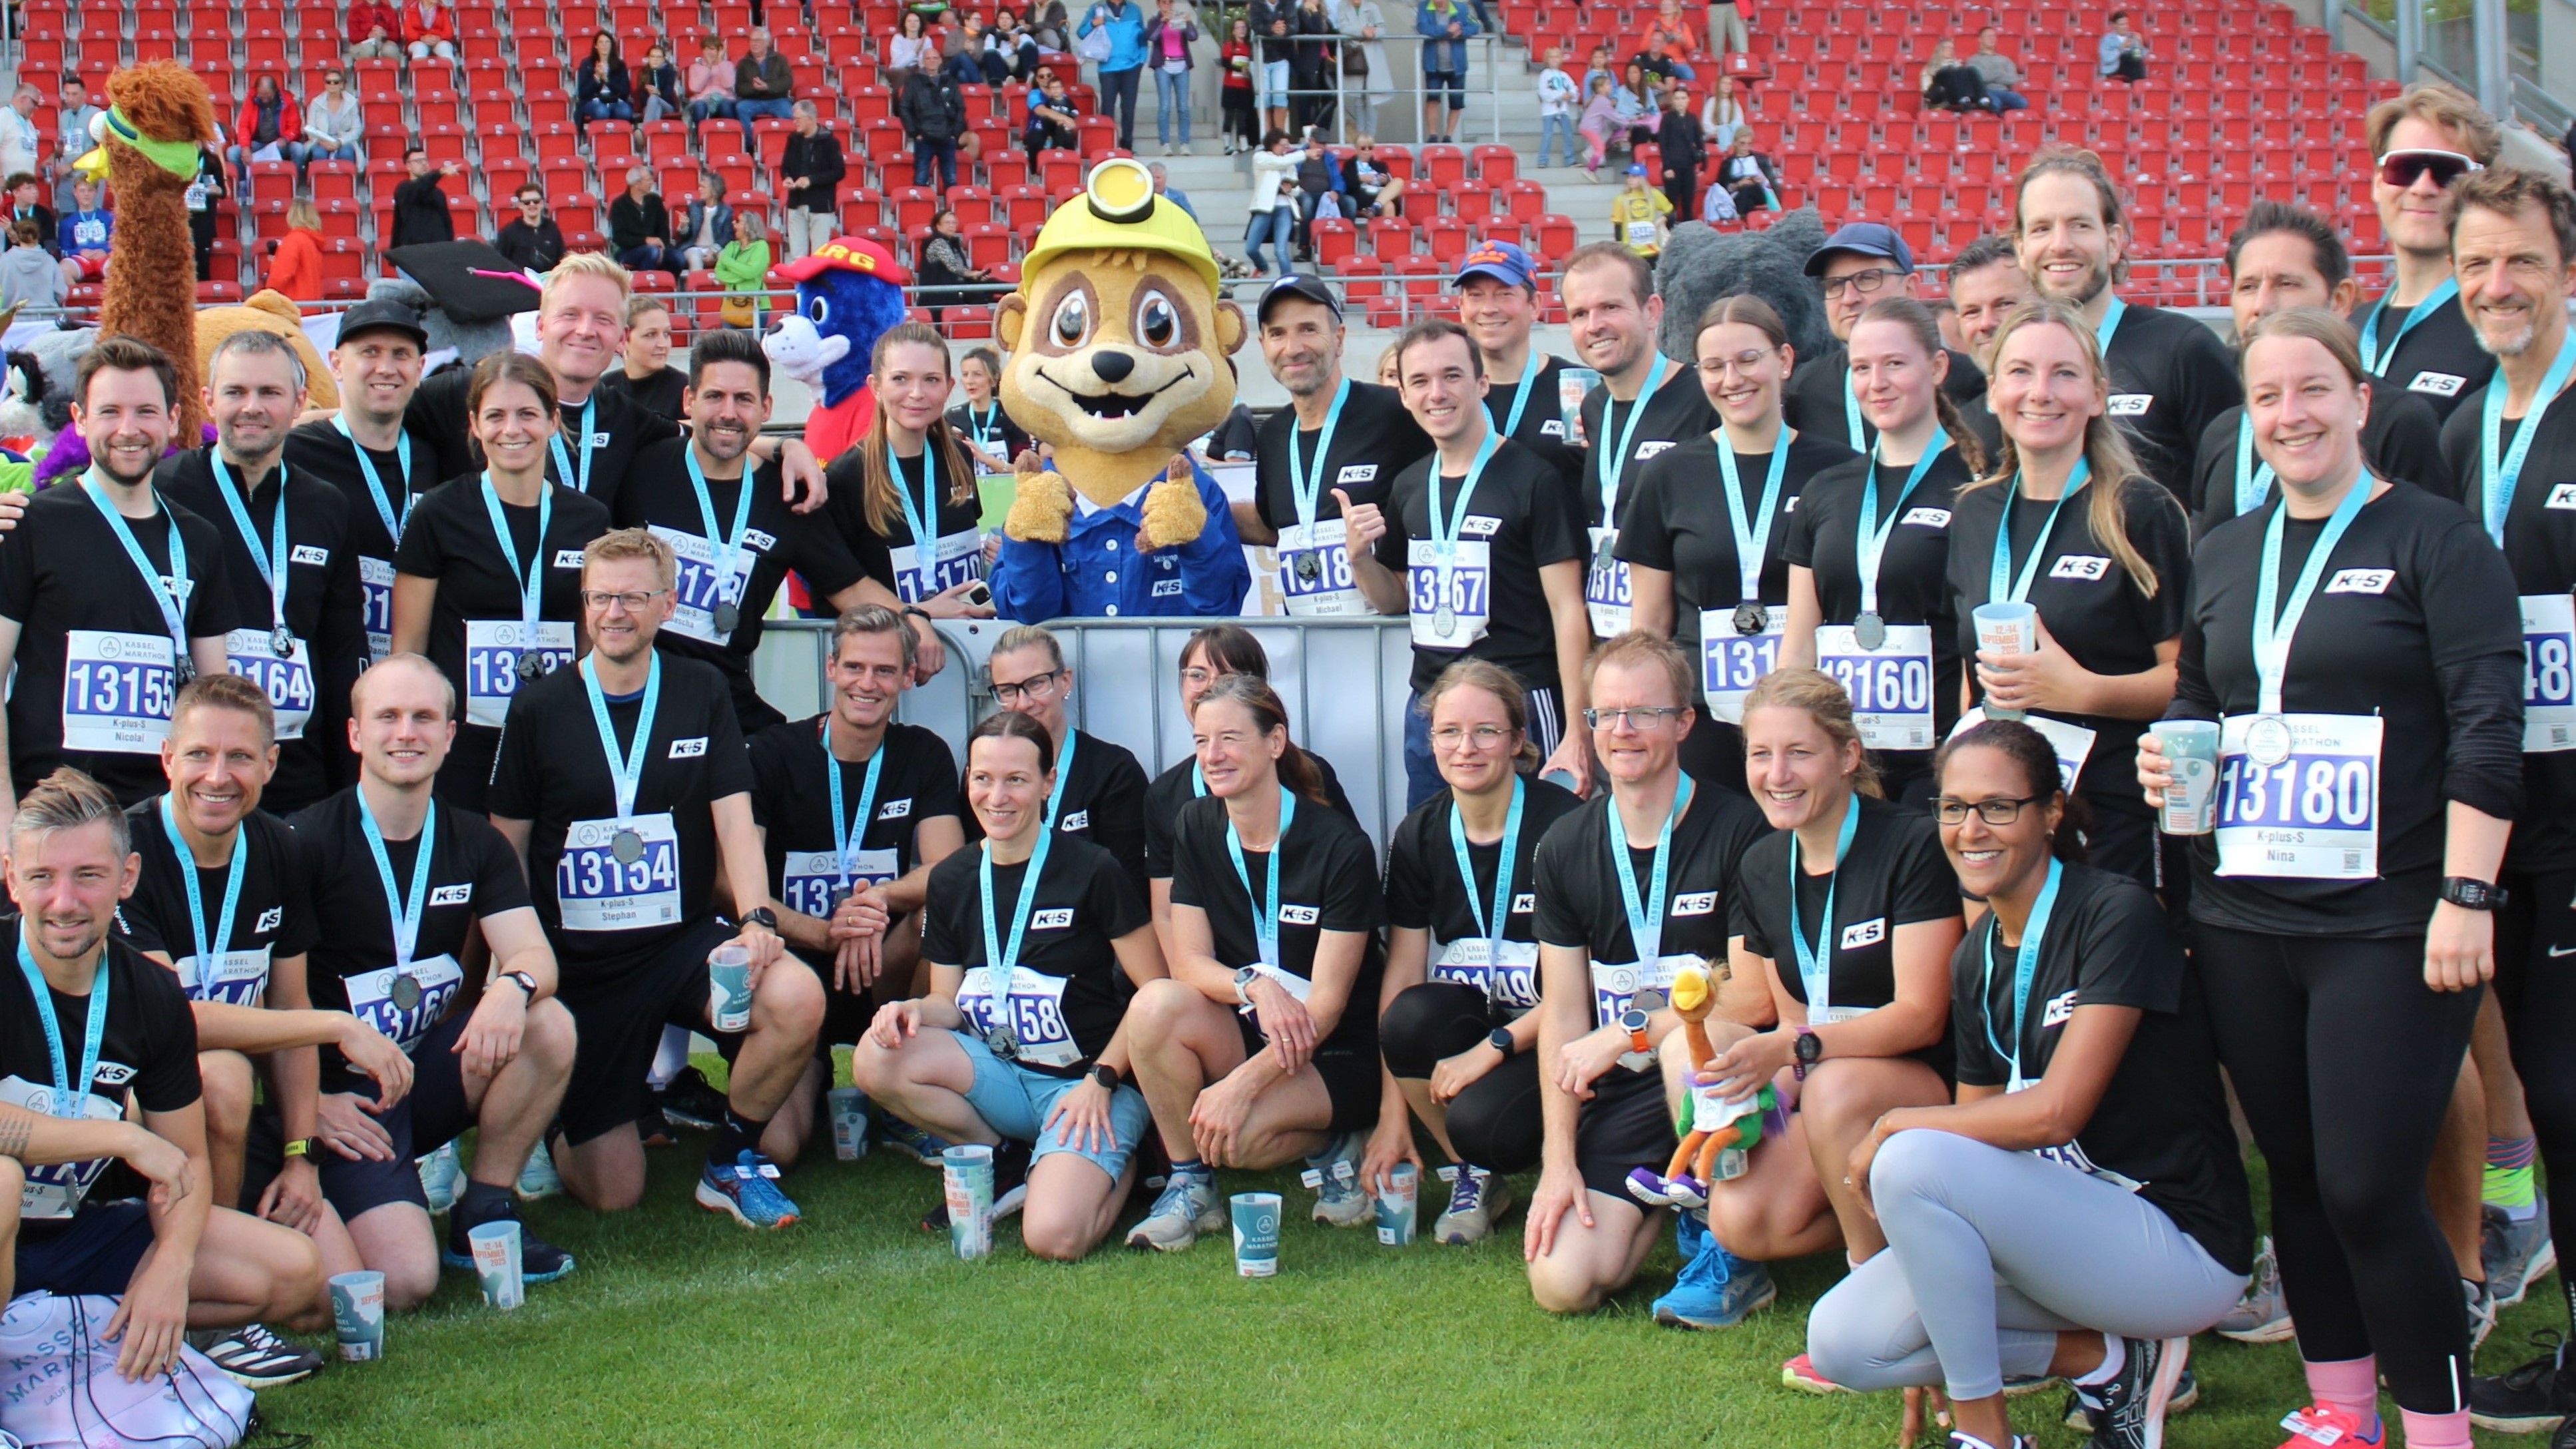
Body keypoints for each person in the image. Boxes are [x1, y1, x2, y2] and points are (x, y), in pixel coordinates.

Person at [2136, 306, 2522, 1449]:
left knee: (2364, 1186)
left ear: (2359, 401)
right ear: (2245, 416)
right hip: (2246, 914)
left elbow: (2483, 729)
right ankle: (2340, 1409)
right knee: (2296, 1181)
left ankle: (2436, 1430)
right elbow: (2201, 700)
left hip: (2390, 920)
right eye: (2266, 397)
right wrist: (2173, 758)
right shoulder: (2224, 550)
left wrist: (2466, 894)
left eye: (2311, 390)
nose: (2289, 415)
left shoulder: (2436, 542)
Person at [1806, 719, 2254, 1449]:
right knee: (1844, 1341)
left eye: (1996, 807)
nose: (1968, 829)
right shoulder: (1975, 954)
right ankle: (2107, 1358)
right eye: (1951, 807)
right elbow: (1975, 1144)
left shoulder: (2116, 912)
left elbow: (2054, 1114)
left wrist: (1891, 1127)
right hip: (2057, 1235)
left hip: (2175, 1243)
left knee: (1912, 1155)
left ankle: (1985, 1436)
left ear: (2049, 812)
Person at [487, 529, 823, 1225]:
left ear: (667, 604)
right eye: (600, 598)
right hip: (581, 963)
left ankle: (729, 1162)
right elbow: (507, 849)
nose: (615, 612)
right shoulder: (539, 707)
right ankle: (565, 1112)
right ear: (583, 606)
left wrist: (759, 918)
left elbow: (734, 820)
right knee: (615, 1192)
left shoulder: (701, 688)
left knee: (795, 999)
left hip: (680, 943)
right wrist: (517, 961)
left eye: (634, 597)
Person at [268, 653, 573, 1312]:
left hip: (419, 1076)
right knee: (405, 1281)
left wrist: (509, 988)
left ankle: (483, 1209)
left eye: (423, 717)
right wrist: (308, 1102)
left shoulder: (474, 839)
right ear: (354, 734)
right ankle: (308, 1194)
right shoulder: (301, 843)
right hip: (339, 1104)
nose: (406, 732)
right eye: (387, 717)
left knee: (547, 1022)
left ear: (450, 735)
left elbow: (534, 956)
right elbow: (270, 1004)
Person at [0, 768, 330, 1372]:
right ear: (11, 879)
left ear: (126, 878)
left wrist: (171, 1266)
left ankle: (63, 1332)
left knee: (293, 1271)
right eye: (42, 877)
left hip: (72, 1231)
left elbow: (189, 1160)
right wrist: (122, 1136)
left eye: (89, 877)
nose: (65, 901)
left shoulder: (153, 993)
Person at [115, 676, 380, 1385]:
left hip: (231, 1130)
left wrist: (300, 1155)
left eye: (240, 757)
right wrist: (336, 1023)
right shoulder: (126, 851)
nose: (217, 775)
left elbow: (287, 1013)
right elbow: (172, 1022)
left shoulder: (278, 848)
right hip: (124, 1107)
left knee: (328, 1293)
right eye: (199, 754)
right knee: (223, 1073)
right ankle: (214, 1310)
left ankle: (182, 1296)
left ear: (269, 764)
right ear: (166, 757)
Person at [1684, 668, 1961, 1340]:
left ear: (1846, 756)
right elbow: (1788, 1016)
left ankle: (1883, 1305)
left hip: (1927, 1082)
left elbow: (1921, 1015)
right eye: (1759, 753)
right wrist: (1747, 1091)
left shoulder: (1910, 844)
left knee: (1832, 1084)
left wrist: (1791, 1050)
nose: (1776, 773)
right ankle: (1918, 1248)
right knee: (1741, 1219)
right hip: (1829, 1077)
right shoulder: (1760, 865)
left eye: (1798, 753)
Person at [2438, 167, 2576, 1432]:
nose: (2494, 286)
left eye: (2518, 261)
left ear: (2566, 269)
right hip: (2502, 810)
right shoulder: (2459, 423)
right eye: (2474, 263)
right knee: (2546, 1072)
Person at [854, 708, 1162, 1256]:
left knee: (1053, 1238)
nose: (997, 797)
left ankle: (1129, 1162)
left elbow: (1154, 994)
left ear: (1048, 783)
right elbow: (947, 1001)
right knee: (878, 1056)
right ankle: (1007, 1157)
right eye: (982, 778)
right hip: (1002, 1072)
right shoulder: (951, 878)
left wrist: (1104, 1078)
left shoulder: (1093, 869)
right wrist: (914, 1012)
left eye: (1016, 779)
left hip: (1087, 1084)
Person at [1522, 631, 1767, 1314]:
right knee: (1562, 1284)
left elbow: (1751, 996)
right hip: (1628, 1087)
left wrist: (1631, 1032)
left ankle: (1732, 1254)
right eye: (1605, 715)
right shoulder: (1564, 844)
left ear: (1684, 722)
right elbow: (1566, 1018)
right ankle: (1669, 1199)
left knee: (1677, 1046)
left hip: (1721, 1071)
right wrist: (1557, 1164)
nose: (1621, 730)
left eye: (1643, 713)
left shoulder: (1738, 828)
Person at [1121, 675, 1387, 1248]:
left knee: (1237, 1141)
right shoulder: (1195, 824)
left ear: (1275, 743)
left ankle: (1335, 1139)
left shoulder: (1340, 846)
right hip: (1256, 1021)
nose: (1212, 756)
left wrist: (1241, 1084)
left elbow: (1328, 1006)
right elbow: (1190, 963)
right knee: (1153, 1006)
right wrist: (1255, 987)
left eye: (1230, 739)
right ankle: (1190, 1185)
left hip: (1337, 1047)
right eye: (1200, 741)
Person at [1943, 298, 2190, 888]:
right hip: (2001, 821)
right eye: (2021, 372)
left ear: (2097, 394)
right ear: (1995, 389)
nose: (2040, 392)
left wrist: (2082, 691)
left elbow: (2187, 681)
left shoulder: (2138, 512)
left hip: (2107, 815)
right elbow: (1970, 668)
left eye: (2064, 373)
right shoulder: (1974, 512)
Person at [1372, 661, 1582, 1244]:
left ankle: (1548, 1154)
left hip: (1560, 1033)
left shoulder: (1565, 826)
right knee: (1408, 1018)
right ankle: (1475, 1175)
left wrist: (1494, 1049)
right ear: (1430, 739)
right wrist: (1393, 1117)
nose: (1465, 748)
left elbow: (1586, 987)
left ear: (1518, 741)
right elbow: (1404, 977)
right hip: (1485, 1024)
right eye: (1448, 732)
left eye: (1486, 731)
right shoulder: (1418, 834)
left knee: (1485, 1123)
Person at [1348, 320, 1593, 808]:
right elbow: (1397, 597)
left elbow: (1568, 610)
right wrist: (1360, 560)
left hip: (1517, 704)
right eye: (1418, 381)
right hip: (1431, 708)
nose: (1436, 393)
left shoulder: (1533, 479)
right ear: (1401, 393)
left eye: (1452, 376)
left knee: (1531, 859)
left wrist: (1576, 728)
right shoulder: (1409, 486)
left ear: (1481, 383)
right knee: (1439, 854)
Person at [746, 605, 964, 1152]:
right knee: (779, 1148)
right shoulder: (772, 752)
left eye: (885, 671)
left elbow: (949, 868)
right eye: (855, 668)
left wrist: (874, 902)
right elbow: (732, 882)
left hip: (881, 962)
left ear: (908, 677)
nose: (868, 684)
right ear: (831, 669)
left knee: (935, 912)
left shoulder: (924, 753)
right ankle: (811, 1076)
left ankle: (898, 1089)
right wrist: (823, 932)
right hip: (793, 962)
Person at [1625, 294, 1859, 787]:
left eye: (1748, 359)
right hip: (1702, 714)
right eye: (1713, 366)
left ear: (1785, 360)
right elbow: (1649, 622)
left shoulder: (1839, 471)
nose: (1731, 380)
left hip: (1807, 715)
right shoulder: (1667, 475)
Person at [0, 338, 235, 812]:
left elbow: (215, 697)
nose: (128, 430)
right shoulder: (29, 525)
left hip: (163, 811)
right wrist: (5, 816)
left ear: (171, 420)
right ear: (80, 419)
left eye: (145, 411)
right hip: (48, 807)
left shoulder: (199, 539)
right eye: (109, 412)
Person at [1780, 296, 1989, 808]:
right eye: (1861, 368)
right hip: (1843, 761)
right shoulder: (1826, 489)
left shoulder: (1980, 487)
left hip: (1940, 759)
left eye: (1894, 364)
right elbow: (1800, 637)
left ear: (1937, 367)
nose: (1876, 383)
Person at [609, 329, 871, 737]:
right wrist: (785, 445)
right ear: (689, 401)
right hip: (627, 707)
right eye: (714, 396)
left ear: (766, 407)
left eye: (743, 399)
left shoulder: (787, 496)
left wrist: (919, 618)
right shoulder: (638, 466)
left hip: (724, 713)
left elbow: (851, 588)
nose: (728, 412)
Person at [152, 331, 364, 816]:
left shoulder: (327, 506)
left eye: (269, 393)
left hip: (300, 774)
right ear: (207, 401)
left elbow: (340, 652)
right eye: (235, 392)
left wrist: (345, 786)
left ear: (299, 403)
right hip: (201, 776)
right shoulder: (165, 491)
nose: (252, 407)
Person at [389, 352, 611, 812]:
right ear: (474, 424)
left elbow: (592, 641)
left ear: (552, 421)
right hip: (463, 746)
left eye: (527, 414)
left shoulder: (587, 518)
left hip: (557, 736)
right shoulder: (437, 513)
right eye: (495, 415)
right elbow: (408, 651)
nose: (512, 430)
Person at [2193, 202, 2450, 534]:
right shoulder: (2222, 432)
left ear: (2340, 299)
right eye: (2248, 287)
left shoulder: (2400, 421)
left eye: (2286, 284)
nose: (2262, 305)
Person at [2013, 145, 2239, 505]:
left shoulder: (2182, 349)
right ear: (2021, 250)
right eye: (2041, 228)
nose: (2060, 244)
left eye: (2080, 225)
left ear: (2114, 242)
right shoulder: (2013, 372)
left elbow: (2234, 500)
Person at [1138, 625, 1359, 948]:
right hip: (1218, 976)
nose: (1210, 688)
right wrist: (1196, 986)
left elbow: (1349, 879)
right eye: (1197, 675)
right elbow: (1166, 914)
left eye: (1228, 677)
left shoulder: (1312, 773)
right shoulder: (1165, 794)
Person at [1234, 272, 1434, 612]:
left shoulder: (1395, 413)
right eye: (1278, 334)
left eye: (1308, 329)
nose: (1293, 348)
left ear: (1339, 338)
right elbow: (1273, 526)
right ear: (1264, 345)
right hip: (1307, 640)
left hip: (1388, 637)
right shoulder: (1273, 435)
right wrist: (1205, 512)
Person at [1563, 242, 1720, 642]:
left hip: (1682, 649)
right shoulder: (1594, 408)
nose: (1594, 325)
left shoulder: (1705, 398)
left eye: (1610, 308)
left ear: (1652, 311)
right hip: (1612, 639)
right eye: (1580, 314)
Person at [284, 300, 435, 668]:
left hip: (408, 666)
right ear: (336, 363)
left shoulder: (435, 456)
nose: (386, 367)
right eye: (370, 352)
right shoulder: (294, 453)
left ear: (419, 369)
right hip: (325, 666)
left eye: (400, 354)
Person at [825, 324, 997, 633]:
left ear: (948, 387)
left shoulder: (960, 456)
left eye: (931, 380)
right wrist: (916, 614)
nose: (917, 394)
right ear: (875, 387)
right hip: (891, 656)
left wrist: (998, 552)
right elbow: (838, 588)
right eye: (900, 379)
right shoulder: (845, 477)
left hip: (970, 645)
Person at [2358, 84, 2504, 422]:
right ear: (2378, 182)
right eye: (2404, 168)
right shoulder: (2350, 330)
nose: (2422, 189)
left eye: (2446, 172)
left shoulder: (2500, 329)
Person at [977, 625, 1152, 896]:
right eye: (1008, 690)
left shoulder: (1114, 771)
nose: (1023, 703)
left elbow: (1127, 893)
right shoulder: (982, 773)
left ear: (1065, 681)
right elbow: (969, 873)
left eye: (1036, 684)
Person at [1783, 222, 1985, 454]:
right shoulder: (1807, 386)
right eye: (1835, 285)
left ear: (1910, 289)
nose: (1849, 298)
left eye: (1867, 278)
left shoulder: (1970, 380)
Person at [1456, 240, 1581, 489]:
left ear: (1534, 305)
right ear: (1461, 308)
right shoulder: (1445, 394)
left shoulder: (1577, 387)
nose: (1488, 309)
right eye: (1475, 295)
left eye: (1504, 294)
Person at [1944, 233, 2037, 457]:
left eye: (2004, 304)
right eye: (1972, 312)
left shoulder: (2081, 407)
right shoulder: (1953, 437)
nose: (1986, 323)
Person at [599, 294, 686, 424]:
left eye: (666, 334)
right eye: (650, 335)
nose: (663, 344)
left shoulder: (684, 388)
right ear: (623, 340)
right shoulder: (605, 387)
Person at [777, 101, 844, 263]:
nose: (795, 122)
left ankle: (817, 288)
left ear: (810, 119)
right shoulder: (793, 140)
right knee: (797, 256)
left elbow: (839, 172)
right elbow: (785, 166)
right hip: (796, 202)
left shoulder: (830, 142)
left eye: (798, 119)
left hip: (820, 205)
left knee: (819, 255)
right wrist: (787, 178)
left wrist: (811, 180)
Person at [948, 346, 1031, 474]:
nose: (970, 381)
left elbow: (1026, 472)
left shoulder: (1011, 415)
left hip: (1004, 492)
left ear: (994, 378)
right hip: (967, 493)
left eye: (977, 374)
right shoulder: (952, 418)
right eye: (965, 375)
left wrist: (989, 461)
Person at [1079, 0, 1148, 150]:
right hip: (1107, 67)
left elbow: (1142, 37)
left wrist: (1142, 59)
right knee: (1108, 108)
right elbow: (1081, 33)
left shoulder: (1135, 9)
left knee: (1128, 108)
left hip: (1132, 66)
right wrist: (1093, 23)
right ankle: (1108, 144)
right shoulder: (1097, 8)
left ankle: (1127, 144)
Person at [917, 207, 1000, 325]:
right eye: (947, 223)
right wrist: (972, 274)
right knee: (990, 287)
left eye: (954, 223)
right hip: (939, 294)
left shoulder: (953, 243)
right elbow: (954, 266)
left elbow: (960, 270)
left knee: (990, 285)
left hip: (955, 289)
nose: (952, 226)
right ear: (938, 226)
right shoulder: (937, 242)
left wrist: (975, 276)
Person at [900, 57, 969, 192]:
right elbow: (904, 107)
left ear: (940, 62)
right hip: (924, 138)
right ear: (923, 62)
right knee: (920, 180)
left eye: (935, 58)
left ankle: (951, 212)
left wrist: (955, 133)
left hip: (947, 138)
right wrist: (914, 132)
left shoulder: (951, 81)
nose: (932, 61)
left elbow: (960, 108)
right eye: (928, 58)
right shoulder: (914, 82)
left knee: (951, 180)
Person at [1416, 0, 1476, 144]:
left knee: (1456, 103)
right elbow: (1423, 27)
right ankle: (1433, 136)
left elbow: (1475, 26)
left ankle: (1448, 137)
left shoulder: (1460, 8)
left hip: (1457, 66)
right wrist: (1447, 31)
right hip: (1433, 64)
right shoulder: (1424, 6)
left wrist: (1461, 31)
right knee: (1432, 99)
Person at [1335, 0, 1394, 143]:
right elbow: (1343, 28)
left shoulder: (1373, 7)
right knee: (1358, 97)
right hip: (1355, 56)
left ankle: (1371, 136)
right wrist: (1362, 31)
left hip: (1372, 56)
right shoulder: (1343, 7)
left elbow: (1382, 29)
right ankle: (1360, 136)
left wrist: (1373, 33)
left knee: (1373, 97)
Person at [228, 75, 302, 186]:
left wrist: (286, 138)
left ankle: (293, 182)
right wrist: (246, 147)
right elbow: (244, 126)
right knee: (232, 153)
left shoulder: (288, 102)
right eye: (262, 96)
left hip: (279, 144)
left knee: (299, 149)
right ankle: (243, 184)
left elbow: (295, 127)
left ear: (275, 91)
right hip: (257, 143)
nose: (265, 100)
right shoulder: (251, 100)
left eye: (268, 96)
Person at [1143, 0, 1196, 154]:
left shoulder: (1178, 18)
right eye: (1164, 2)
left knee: (1184, 107)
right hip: (1163, 65)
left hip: (1181, 64)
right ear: (1158, 5)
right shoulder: (1154, 21)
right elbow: (1151, 38)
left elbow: (1193, 37)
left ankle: (1184, 143)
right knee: (1165, 107)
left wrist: (1189, 23)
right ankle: (1165, 143)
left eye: (1170, 2)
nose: (1167, 5)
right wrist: (1161, 23)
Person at [1243, 129, 1298, 276]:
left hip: (1284, 207)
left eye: (1288, 146)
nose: (1286, 149)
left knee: (1281, 250)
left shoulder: (1289, 162)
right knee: (1251, 248)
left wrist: (1291, 189)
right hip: (1264, 208)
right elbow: (1278, 163)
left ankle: (1288, 281)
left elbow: (1298, 188)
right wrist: (1304, 154)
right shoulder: (1260, 157)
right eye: (1283, 145)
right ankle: (1262, 266)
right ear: (1273, 144)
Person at [605, 166, 677, 274]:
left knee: (678, 258)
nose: (652, 183)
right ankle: (644, 285)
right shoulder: (619, 205)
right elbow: (620, 238)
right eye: (648, 180)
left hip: (657, 248)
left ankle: (668, 286)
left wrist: (662, 245)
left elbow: (663, 228)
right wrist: (645, 241)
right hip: (627, 251)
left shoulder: (655, 201)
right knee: (652, 252)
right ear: (637, 184)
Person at [50, 74, 101, 213]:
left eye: (74, 94)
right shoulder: (64, 116)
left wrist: (71, 165)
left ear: (84, 94)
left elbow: (98, 148)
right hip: (67, 179)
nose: (70, 98)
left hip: (88, 177)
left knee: (90, 217)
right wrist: (51, 157)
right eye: (67, 94)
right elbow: (64, 144)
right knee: (67, 219)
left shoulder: (96, 114)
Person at [387, 147, 457, 248]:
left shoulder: (439, 193)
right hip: (415, 251)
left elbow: (447, 222)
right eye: (418, 161)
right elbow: (420, 188)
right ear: (408, 166)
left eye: (425, 160)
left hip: (439, 250)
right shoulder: (404, 188)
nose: (424, 164)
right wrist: (440, 173)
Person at [714, 210, 772, 328]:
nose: (734, 224)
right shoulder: (731, 246)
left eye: (739, 222)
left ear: (749, 226)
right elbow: (719, 273)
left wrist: (726, 260)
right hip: (731, 306)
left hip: (756, 306)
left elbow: (751, 272)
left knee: (752, 346)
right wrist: (743, 276)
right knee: (730, 346)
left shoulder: (761, 246)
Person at [260, 198, 324, 304]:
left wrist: (269, 290)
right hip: (311, 304)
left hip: (293, 306)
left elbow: (281, 275)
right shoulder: (313, 242)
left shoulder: (294, 240)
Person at [732, 28, 797, 129]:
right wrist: (753, 88)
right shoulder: (744, 63)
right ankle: (749, 143)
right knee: (741, 108)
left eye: (758, 40)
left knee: (788, 113)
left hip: (778, 100)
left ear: (767, 43)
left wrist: (768, 87)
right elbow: (739, 88)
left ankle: (787, 141)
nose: (754, 44)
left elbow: (788, 82)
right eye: (752, 40)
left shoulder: (780, 59)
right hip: (753, 100)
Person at [300, 69, 363, 172]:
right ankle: (319, 184)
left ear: (342, 84)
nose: (332, 85)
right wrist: (322, 142)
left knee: (346, 153)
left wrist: (340, 142)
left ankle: (346, 183)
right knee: (319, 154)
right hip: (321, 140)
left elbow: (356, 130)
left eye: (336, 82)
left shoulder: (352, 102)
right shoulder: (316, 103)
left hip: (344, 140)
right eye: (328, 82)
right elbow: (310, 128)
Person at [494, 185, 567, 274]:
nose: (532, 205)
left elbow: (562, 258)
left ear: (542, 203)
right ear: (520, 205)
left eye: (536, 201)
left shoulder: (552, 228)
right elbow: (499, 262)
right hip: (522, 283)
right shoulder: (509, 232)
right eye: (527, 202)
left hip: (549, 282)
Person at [53, 175, 109, 291]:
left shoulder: (109, 217)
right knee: (62, 270)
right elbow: (64, 251)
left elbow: (119, 244)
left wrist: (105, 250)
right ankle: (76, 300)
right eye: (82, 191)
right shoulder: (67, 222)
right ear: (75, 193)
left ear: (96, 192)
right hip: (81, 259)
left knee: (121, 269)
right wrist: (80, 251)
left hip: (105, 257)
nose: (86, 194)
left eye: (90, 190)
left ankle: (114, 302)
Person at [1659, 86, 1703, 219]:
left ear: (1688, 100)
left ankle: (1688, 234)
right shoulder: (1667, 118)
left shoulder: (1692, 118)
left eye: (1683, 98)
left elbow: (1699, 141)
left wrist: (1703, 163)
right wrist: (1667, 167)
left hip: (1689, 166)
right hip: (1673, 166)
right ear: (1673, 100)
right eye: (1677, 98)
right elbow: (1663, 143)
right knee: (1671, 204)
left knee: (1688, 203)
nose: (1680, 102)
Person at [1714, 129, 1780, 218]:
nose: (1746, 147)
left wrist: (1762, 181)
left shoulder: (1760, 159)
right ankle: (1747, 219)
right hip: (1736, 195)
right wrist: (1739, 184)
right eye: (1742, 143)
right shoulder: (1728, 163)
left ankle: (1740, 218)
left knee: (1748, 189)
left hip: (1758, 192)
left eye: (1749, 144)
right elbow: (1723, 188)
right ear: (1735, 143)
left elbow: (1771, 183)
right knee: (1745, 192)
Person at [676, 174, 734, 276]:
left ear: (714, 190)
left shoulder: (726, 211)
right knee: (695, 257)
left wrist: (713, 249)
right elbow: (685, 237)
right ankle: (696, 290)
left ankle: (725, 289)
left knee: (724, 256)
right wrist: (684, 226)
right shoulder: (694, 207)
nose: (700, 190)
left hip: (716, 247)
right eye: (700, 186)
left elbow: (727, 236)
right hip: (695, 247)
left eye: (703, 187)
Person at [1024, 66, 1083, 161]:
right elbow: (1041, 111)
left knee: (1067, 137)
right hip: (1039, 127)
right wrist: (1066, 119)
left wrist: (1068, 120)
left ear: (1053, 76)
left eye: (1049, 75)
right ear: (1037, 80)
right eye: (1042, 76)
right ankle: (1035, 172)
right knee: (1036, 139)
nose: (1046, 78)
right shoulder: (1034, 94)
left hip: (1059, 128)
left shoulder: (1063, 96)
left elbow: (1073, 111)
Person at [1918, 37, 1991, 114]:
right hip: (1940, 94)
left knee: (1971, 70)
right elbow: (1926, 89)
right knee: (1948, 71)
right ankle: (1964, 98)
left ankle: (1983, 99)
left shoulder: (1958, 64)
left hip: (1956, 94)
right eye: (1948, 48)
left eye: (1952, 48)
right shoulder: (1930, 68)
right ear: (1940, 50)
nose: (1951, 50)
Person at [0, 218, 59, 310]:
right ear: (38, 236)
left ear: (18, 236)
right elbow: (61, 292)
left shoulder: (4, 260)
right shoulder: (50, 261)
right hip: (46, 319)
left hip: (13, 319)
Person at [1535, 45, 1579, 168]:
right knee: (1548, 135)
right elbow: (1543, 92)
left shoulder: (1565, 75)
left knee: (1568, 134)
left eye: (1557, 57)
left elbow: (1574, 88)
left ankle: (1570, 160)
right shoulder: (1545, 74)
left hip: (1563, 110)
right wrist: (1560, 96)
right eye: (1551, 57)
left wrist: (1571, 95)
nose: (1554, 60)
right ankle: (1542, 160)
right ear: (1547, 60)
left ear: (1561, 59)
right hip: (1549, 111)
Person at [1967, 26, 2028, 111]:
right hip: (1986, 91)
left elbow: (2013, 79)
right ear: (1980, 39)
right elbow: (1979, 78)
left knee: (2022, 102)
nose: (1992, 39)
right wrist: (2000, 73)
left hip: (2005, 91)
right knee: (1995, 104)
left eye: (1993, 36)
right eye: (1988, 36)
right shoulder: (1974, 60)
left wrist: (1992, 75)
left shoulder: (2005, 60)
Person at [1220, 17, 1257, 153]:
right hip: (1230, 85)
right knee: (1229, 115)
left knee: (1243, 116)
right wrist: (1239, 69)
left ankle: (1243, 144)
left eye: (1244, 28)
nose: (1242, 30)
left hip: (1245, 86)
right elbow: (1225, 63)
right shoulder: (1229, 45)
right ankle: (1226, 144)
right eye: (1238, 28)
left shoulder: (1250, 47)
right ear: (1233, 31)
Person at [686, 35, 737, 129]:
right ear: (703, 51)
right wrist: (708, 67)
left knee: (725, 105)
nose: (709, 52)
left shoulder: (728, 65)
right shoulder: (695, 67)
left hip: (724, 98)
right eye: (707, 49)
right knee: (700, 107)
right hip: (702, 100)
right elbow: (695, 88)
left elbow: (729, 85)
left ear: (719, 50)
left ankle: (730, 135)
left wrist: (721, 62)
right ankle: (701, 138)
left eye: (712, 49)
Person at [633, 41, 682, 127]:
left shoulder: (670, 73)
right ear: (648, 58)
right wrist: (650, 94)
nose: (655, 59)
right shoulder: (643, 73)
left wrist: (658, 93)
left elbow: (668, 95)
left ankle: (645, 131)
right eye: (653, 56)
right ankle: (653, 134)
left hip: (668, 106)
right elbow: (642, 99)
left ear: (663, 60)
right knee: (656, 107)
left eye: (659, 57)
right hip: (649, 106)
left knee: (654, 98)